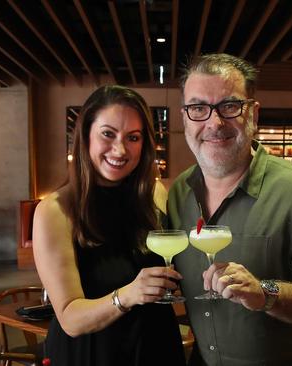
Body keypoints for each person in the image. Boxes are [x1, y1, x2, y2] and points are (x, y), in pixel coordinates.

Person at [168, 53, 292, 365]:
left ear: (253, 113)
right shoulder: (178, 193)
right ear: (184, 117)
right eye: (198, 108)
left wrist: (265, 292)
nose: (214, 123)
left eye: (230, 106)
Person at [32, 85, 185, 365]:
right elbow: (70, 319)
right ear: (85, 136)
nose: (120, 149)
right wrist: (129, 294)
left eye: (133, 137)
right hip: (93, 354)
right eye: (108, 134)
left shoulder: (154, 194)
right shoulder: (54, 211)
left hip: (155, 347)